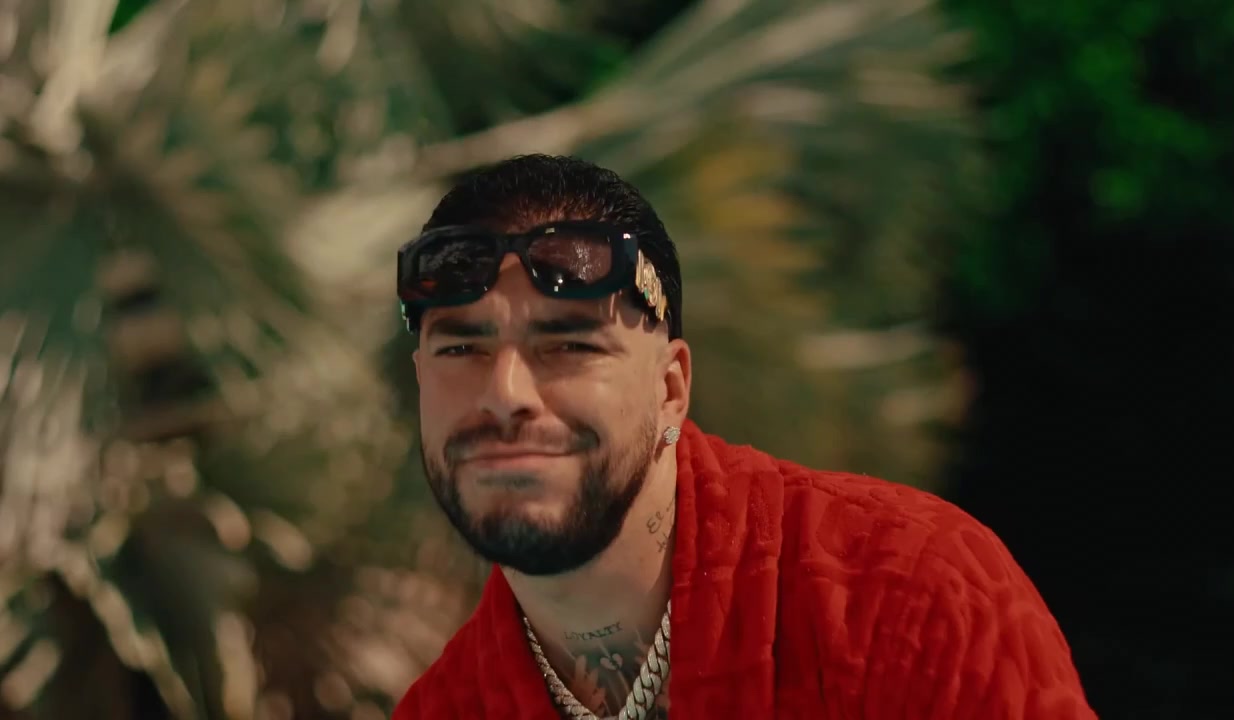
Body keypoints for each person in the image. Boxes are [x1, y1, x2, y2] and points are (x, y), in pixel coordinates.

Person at [391, 154, 1096, 719]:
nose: (504, 394)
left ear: (671, 390)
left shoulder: (910, 596)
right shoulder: (442, 708)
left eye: (569, 345)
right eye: (462, 348)